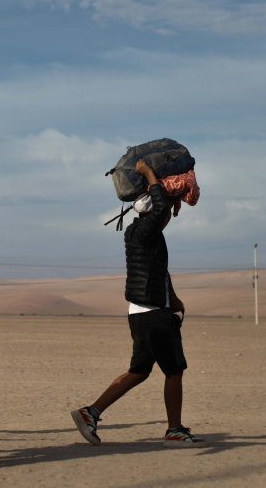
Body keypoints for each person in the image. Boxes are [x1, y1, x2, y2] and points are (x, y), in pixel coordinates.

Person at [71, 159, 204, 448]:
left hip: (144, 311)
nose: (168, 213)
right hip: (152, 313)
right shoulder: (145, 231)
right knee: (174, 370)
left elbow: (158, 269)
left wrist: (174, 296)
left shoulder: (145, 234)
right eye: (166, 210)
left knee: (140, 371)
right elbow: (157, 210)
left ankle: (90, 412)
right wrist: (149, 175)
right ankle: (175, 429)